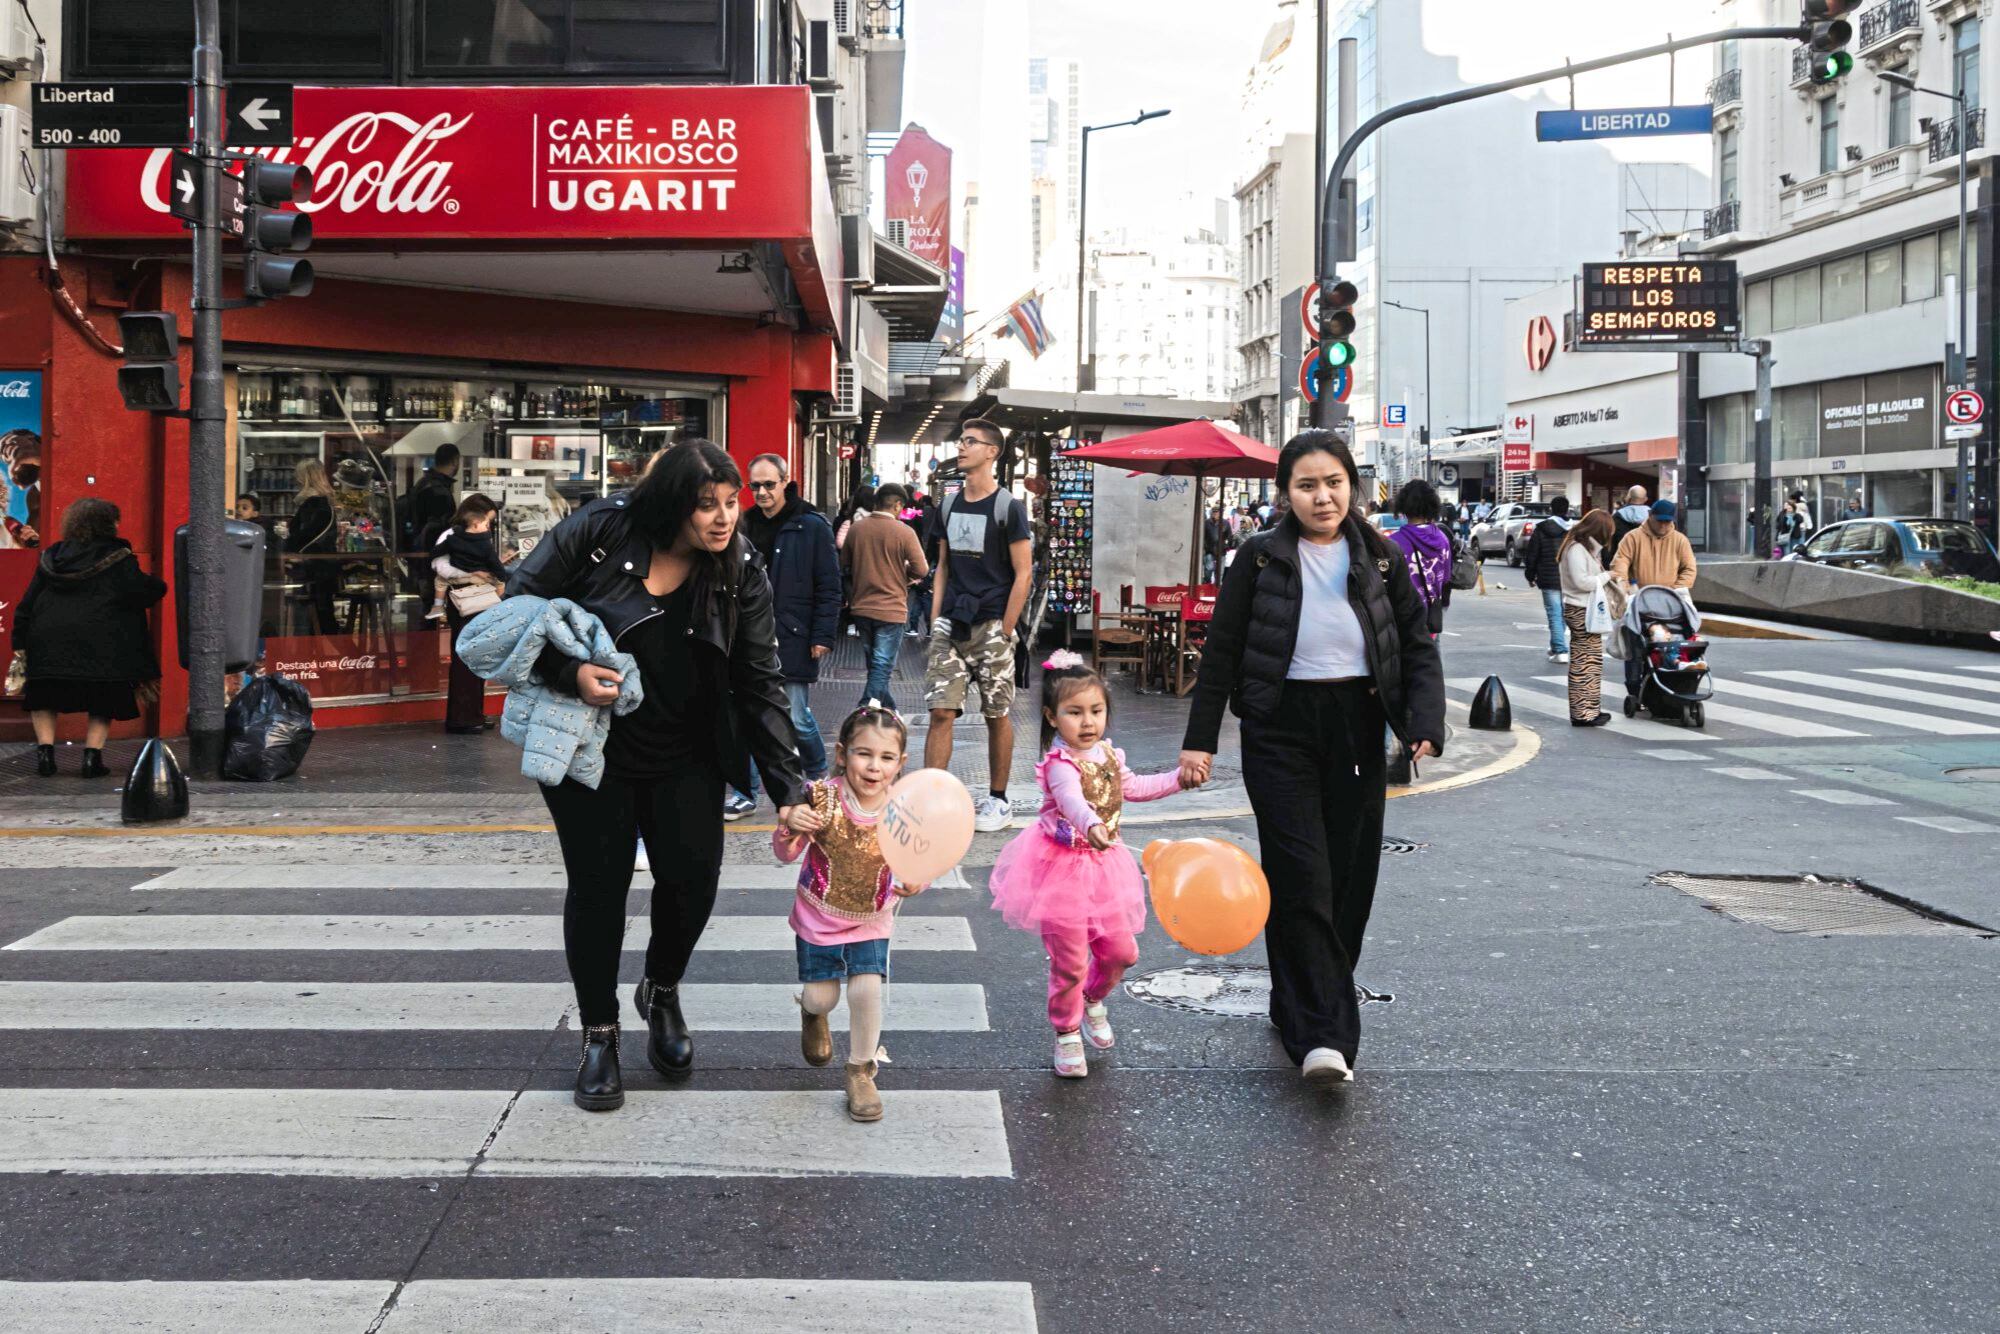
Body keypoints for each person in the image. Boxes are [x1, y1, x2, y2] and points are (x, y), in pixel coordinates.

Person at [504, 440, 808, 1112]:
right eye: (707, 505)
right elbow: (515, 606)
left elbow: (760, 678)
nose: (724, 517)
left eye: (731, 503)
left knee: (692, 884)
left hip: (690, 753)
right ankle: (600, 1035)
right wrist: (567, 673)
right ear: (673, 502)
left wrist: (788, 786)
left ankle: (661, 988)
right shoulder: (599, 531)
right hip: (592, 754)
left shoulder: (738, 565)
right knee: (599, 891)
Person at [1179, 430, 1445, 1086]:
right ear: (1286, 494)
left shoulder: (1381, 560)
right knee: (1302, 875)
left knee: (1351, 880)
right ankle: (1325, 1034)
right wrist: (1201, 739)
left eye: (1332, 483)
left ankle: (1294, 996)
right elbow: (1223, 651)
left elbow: (1416, 645)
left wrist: (1424, 723)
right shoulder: (1259, 560)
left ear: (1352, 486)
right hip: (1280, 729)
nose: (1321, 496)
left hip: (1358, 725)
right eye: (1306, 485)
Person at [988, 652, 1193, 1077]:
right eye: (1074, 712)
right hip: (1060, 870)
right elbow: (1071, 800)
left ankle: (1093, 999)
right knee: (1070, 961)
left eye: (1096, 712)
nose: (1087, 722)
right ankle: (1066, 1032)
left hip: (1105, 870)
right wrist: (1092, 824)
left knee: (1122, 952)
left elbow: (1135, 787)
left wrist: (1178, 778)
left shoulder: (1110, 757)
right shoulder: (1061, 765)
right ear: (1051, 717)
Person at [774, 706, 931, 1122]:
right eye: (864, 754)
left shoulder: (903, 807)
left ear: (901, 763)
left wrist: (915, 880)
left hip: (873, 918)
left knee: (866, 992)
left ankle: (861, 1071)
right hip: (818, 916)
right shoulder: (821, 796)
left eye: (885, 758)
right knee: (822, 994)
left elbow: (918, 856)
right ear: (842, 754)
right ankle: (812, 1013)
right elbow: (785, 853)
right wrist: (791, 823)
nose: (874, 767)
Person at [925, 419, 1034, 833]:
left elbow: (1023, 573)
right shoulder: (949, 505)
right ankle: (932, 799)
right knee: (940, 711)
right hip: (951, 622)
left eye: (971, 441)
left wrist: (1006, 631)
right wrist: (936, 619)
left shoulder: (1009, 507)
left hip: (991, 624)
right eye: (961, 440)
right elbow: (942, 567)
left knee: (996, 713)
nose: (962, 446)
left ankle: (998, 799)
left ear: (992, 452)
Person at [11, 498, 166, 778]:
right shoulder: (119, 556)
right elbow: (144, 592)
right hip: (102, 641)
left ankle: (45, 756)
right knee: (103, 697)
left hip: (48, 638)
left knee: (44, 694)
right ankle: (91, 759)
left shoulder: (52, 556)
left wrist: (20, 641)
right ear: (108, 524)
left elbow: (28, 602)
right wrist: (158, 582)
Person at [730, 452, 839, 820]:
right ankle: (745, 791)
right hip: (748, 633)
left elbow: (829, 584)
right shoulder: (744, 524)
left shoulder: (810, 524)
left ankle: (819, 776)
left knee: (795, 716)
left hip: (792, 633)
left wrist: (822, 634)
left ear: (785, 481)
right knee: (746, 713)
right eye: (754, 486)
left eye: (769, 485)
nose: (761, 492)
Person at [842, 481, 928, 713]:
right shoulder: (905, 532)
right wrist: (904, 573)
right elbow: (922, 570)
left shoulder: (857, 529)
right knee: (882, 664)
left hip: (862, 607)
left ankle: (890, 708)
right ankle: (866, 704)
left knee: (876, 664)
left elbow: (845, 565)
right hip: (892, 608)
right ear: (898, 505)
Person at [1610, 498, 1699, 704]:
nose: (1663, 525)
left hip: (1670, 603)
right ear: (1650, 517)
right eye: (1659, 521)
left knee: (1675, 641)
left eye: (1667, 522)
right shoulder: (1632, 538)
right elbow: (1621, 563)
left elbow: (1689, 568)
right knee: (1636, 646)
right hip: (1639, 601)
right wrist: (1624, 587)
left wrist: (1676, 590)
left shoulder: (1680, 540)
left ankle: (1672, 679)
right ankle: (1633, 688)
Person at [433, 493, 508, 734]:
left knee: (476, 657)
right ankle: (461, 717)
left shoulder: (470, 537)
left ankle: (473, 713)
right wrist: (472, 574)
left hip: (477, 598)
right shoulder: (451, 536)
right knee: (465, 658)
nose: (488, 527)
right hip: (463, 600)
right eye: (487, 521)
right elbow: (440, 565)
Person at [1557, 509, 1617, 727]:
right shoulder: (1576, 550)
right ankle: (1583, 712)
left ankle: (1590, 709)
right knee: (1584, 662)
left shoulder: (1586, 549)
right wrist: (1606, 576)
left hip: (1585, 608)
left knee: (1591, 661)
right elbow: (1582, 582)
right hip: (1580, 609)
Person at [1387, 479, 1455, 638]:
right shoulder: (1443, 539)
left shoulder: (1394, 542)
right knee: (1431, 660)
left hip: (1403, 620)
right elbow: (1445, 578)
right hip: (1431, 617)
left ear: (1403, 506)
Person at [1519, 495, 1574, 663]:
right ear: (1567, 509)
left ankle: (1560, 650)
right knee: (1563, 613)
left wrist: (1530, 574)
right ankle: (1555, 645)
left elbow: (1532, 553)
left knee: (1554, 613)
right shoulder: (1574, 529)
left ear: (1551, 509)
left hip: (1549, 577)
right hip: (1570, 577)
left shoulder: (1542, 528)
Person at [288, 458, 340, 635]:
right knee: (324, 616)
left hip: (313, 571)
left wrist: (284, 546)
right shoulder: (326, 503)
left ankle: (313, 654)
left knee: (318, 619)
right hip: (325, 569)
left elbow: (301, 536)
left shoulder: (312, 504)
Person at [405, 442, 461, 547]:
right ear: (455, 461)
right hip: (431, 554)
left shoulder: (423, 482)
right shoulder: (438, 491)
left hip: (418, 549)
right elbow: (439, 530)